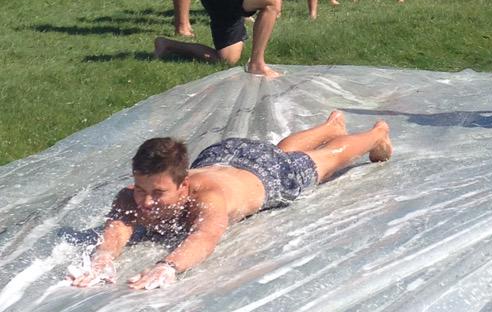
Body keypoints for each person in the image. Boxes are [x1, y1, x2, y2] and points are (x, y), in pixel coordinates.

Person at [69, 111, 393, 290]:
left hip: (268, 174)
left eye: (158, 193)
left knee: (327, 159)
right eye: (142, 189)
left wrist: (168, 266)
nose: (147, 202)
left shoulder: (207, 197)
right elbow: (119, 226)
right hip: (220, 155)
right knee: (279, 149)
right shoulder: (132, 195)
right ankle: (331, 125)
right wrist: (103, 257)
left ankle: (376, 134)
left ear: (183, 185)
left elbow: (205, 236)